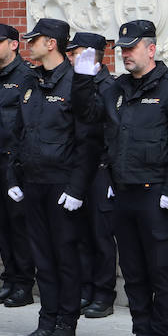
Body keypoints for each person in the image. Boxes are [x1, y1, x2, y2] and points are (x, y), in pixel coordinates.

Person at [76, 20, 168, 336]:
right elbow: (87, 117)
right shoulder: (116, 89)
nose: (126, 55)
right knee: (132, 271)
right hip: (124, 191)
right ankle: (140, 335)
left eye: (131, 48)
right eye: (122, 49)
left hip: (156, 193)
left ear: (151, 49)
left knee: (159, 269)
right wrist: (84, 81)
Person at [5, 18, 92, 336]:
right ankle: (47, 320)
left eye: (35, 39)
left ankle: (66, 325)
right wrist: (14, 176)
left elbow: (87, 141)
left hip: (62, 184)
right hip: (34, 181)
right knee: (42, 257)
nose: (30, 44)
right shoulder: (31, 82)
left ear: (52, 43)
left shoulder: (75, 83)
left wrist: (77, 188)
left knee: (65, 256)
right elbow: (18, 134)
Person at [0, 23, 36, 308]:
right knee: (0, 224)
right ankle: (10, 279)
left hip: (16, 164)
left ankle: (24, 284)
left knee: (19, 224)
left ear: (14, 44)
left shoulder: (27, 76)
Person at [67, 31, 116, 318]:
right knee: (82, 234)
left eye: (78, 52)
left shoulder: (108, 86)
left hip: (100, 170)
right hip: (78, 167)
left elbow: (109, 130)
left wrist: (110, 175)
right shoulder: (78, 83)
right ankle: (86, 288)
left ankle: (103, 293)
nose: (73, 56)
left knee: (101, 236)